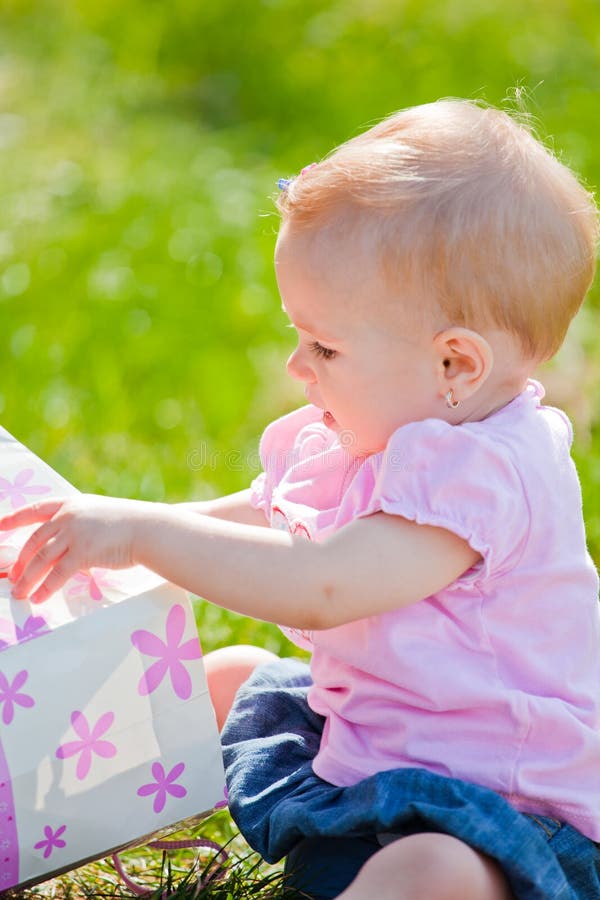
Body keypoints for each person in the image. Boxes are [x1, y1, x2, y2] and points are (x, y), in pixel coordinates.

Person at [1, 99, 600, 900]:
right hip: (360, 757)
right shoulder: (378, 432)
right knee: (220, 679)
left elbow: (323, 582)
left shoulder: (491, 472)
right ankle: (28, 833)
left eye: (323, 344)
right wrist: (106, 525)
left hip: (498, 815)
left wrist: (144, 535)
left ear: (456, 365)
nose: (295, 365)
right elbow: (270, 521)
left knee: (433, 871)